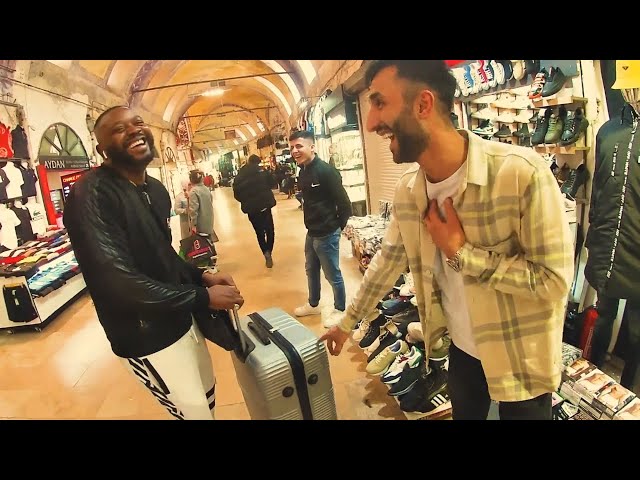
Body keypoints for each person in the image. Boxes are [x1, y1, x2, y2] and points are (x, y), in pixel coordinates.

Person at [320, 60, 574, 420]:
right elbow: (387, 262)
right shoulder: (410, 190)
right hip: (462, 352)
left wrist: (460, 252)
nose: (372, 122)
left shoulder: (520, 174)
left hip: (520, 357)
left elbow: (553, 281)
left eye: (379, 103)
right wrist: (347, 324)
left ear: (423, 104)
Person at [63, 105, 244, 420]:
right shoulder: (91, 195)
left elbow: (163, 253)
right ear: (100, 148)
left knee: (207, 398)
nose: (133, 129)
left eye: (137, 122)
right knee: (191, 412)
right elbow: (117, 283)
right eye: (119, 129)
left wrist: (201, 277)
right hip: (146, 334)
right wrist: (203, 297)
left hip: (181, 316)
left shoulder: (154, 190)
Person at [290, 130, 352, 328]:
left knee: (332, 274)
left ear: (312, 147)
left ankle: (341, 309)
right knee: (311, 269)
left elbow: (344, 204)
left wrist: (337, 228)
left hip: (327, 232)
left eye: (299, 146)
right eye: (292, 147)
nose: (294, 150)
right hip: (312, 232)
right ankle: (314, 304)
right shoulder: (303, 171)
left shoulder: (326, 171)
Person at [233, 154, 277, 268]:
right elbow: (273, 184)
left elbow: (236, 195)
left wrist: (246, 200)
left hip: (251, 209)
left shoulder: (239, 176)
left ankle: (265, 252)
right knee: (270, 230)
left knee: (259, 232)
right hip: (265, 205)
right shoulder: (262, 172)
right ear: (258, 162)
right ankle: (269, 252)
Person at [189, 169, 219, 264]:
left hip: (200, 220)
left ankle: (208, 261)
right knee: (208, 239)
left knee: (202, 241)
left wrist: (193, 224)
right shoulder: (206, 189)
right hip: (209, 217)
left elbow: (194, 209)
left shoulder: (194, 191)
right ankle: (212, 259)